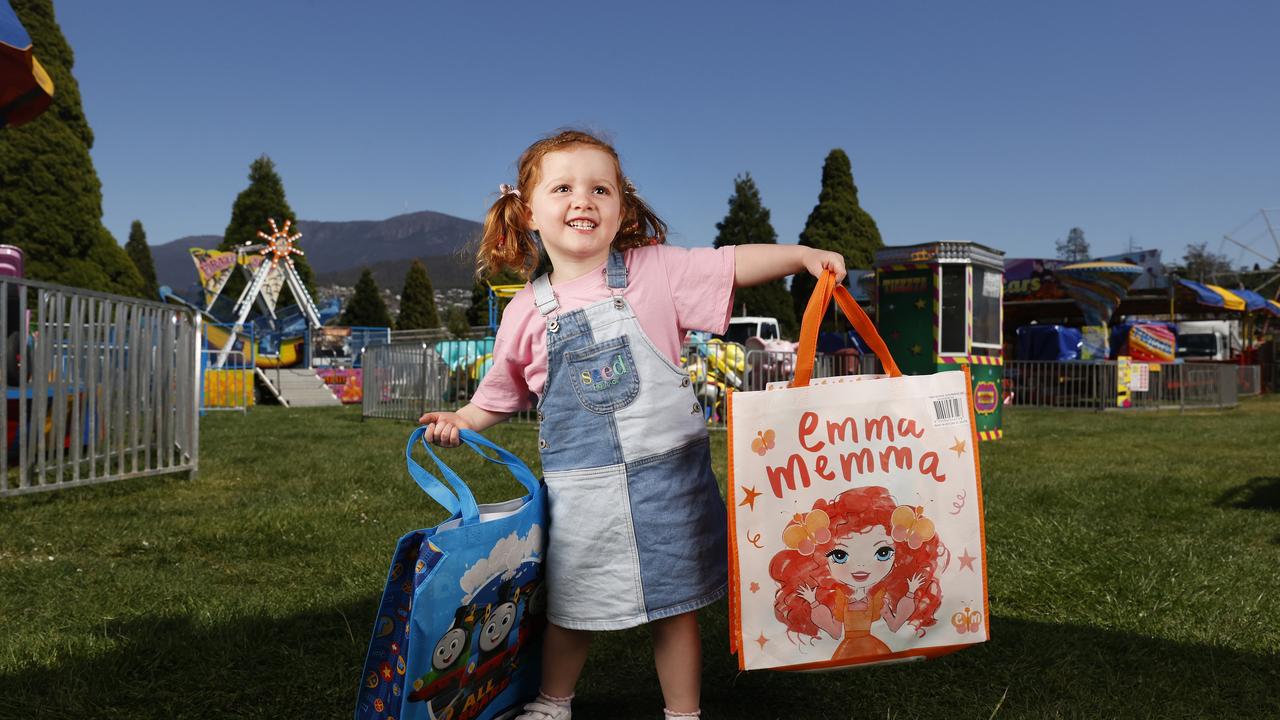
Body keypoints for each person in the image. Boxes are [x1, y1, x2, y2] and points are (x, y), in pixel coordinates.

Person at [419, 129, 846, 720]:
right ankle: (553, 701)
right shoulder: (523, 310)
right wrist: (460, 420)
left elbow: (730, 264)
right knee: (571, 609)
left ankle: (682, 713)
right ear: (528, 211)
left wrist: (800, 256)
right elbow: (498, 394)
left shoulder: (656, 272)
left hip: (671, 486)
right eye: (563, 187)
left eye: (601, 188)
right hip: (581, 493)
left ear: (621, 208)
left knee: (676, 610)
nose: (583, 200)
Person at [769, 486, 943, 660]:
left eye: (883, 553)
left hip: (877, 649)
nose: (861, 565)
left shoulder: (879, 597)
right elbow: (835, 632)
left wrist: (911, 592)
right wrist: (813, 602)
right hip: (847, 651)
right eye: (840, 555)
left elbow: (895, 625)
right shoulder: (839, 598)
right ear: (820, 559)